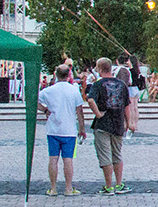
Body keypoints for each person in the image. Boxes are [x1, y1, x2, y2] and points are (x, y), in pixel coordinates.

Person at [38, 63, 86, 196]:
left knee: (53, 159)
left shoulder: (49, 90)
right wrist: (82, 128)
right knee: (68, 159)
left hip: (53, 129)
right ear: (69, 75)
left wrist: (45, 110)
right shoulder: (74, 90)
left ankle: (53, 188)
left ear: (56, 75)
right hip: (69, 130)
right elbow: (79, 111)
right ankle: (68, 188)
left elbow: (35, 100)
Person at [87, 57, 133, 194]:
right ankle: (119, 184)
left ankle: (108, 186)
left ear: (100, 69)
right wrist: (128, 122)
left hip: (103, 124)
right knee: (117, 154)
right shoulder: (122, 84)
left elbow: (90, 100)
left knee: (105, 155)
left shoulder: (98, 84)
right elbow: (127, 105)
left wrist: (98, 114)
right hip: (118, 123)